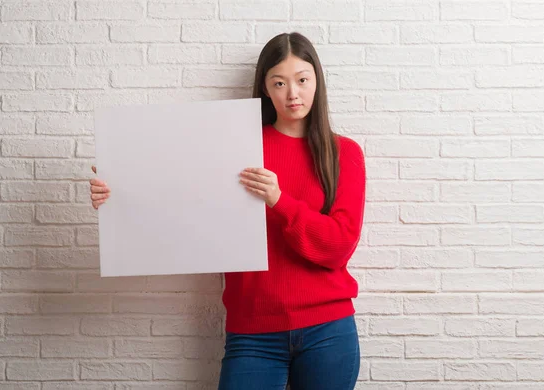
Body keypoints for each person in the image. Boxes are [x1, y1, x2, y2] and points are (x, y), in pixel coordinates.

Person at [90, 32, 366, 390]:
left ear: (317, 81)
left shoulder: (344, 153)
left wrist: (279, 200)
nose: (292, 93)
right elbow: (182, 201)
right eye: (279, 83)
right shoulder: (237, 144)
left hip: (329, 331)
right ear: (266, 88)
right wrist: (118, 190)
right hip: (252, 331)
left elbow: (339, 245)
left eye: (302, 80)